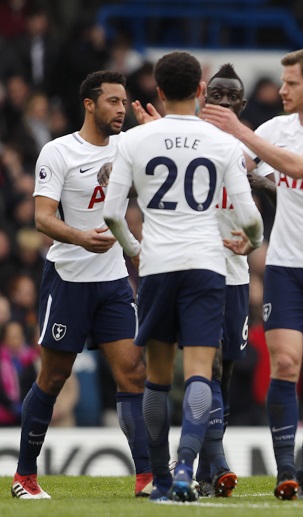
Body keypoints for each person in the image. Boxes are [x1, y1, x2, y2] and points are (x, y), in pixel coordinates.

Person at [200, 48, 303, 501]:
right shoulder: (274, 129)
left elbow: (296, 166)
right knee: (286, 363)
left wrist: (239, 131)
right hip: (285, 265)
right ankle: (286, 472)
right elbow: (229, 167)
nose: (280, 90)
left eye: (290, 83)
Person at [102, 51, 264, 502]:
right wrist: (252, 239)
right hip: (207, 268)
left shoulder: (134, 141)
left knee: (156, 378)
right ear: (199, 91)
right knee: (199, 374)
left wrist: (136, 251)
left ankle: (158, 477)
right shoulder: (224, 144)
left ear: (157, 91)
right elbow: (249, 217)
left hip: (158, 266)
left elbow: (113, 213)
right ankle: (186, 469)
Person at [12, 70, 151, 500]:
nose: (121, 109)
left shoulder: (128, 146)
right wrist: (81, 237)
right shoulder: (57, 152)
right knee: (53, 377)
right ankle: (24, 477)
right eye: (113, 101)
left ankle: (147, 477)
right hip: (68, 278)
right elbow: (42, 218)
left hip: (112, 282)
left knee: (133, 373)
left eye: (124, 102)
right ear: (89, 104)